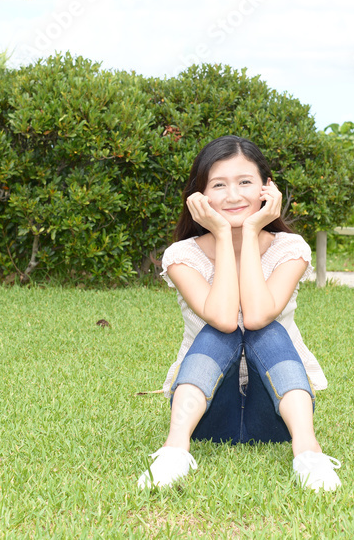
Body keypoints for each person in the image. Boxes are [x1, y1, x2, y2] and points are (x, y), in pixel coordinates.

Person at [138, 135, 341, 491]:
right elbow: (222, 316)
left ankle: (308, 451)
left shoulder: (290, 249)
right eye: (219, 184)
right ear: (199, 196)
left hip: (278, 414)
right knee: (225, 328)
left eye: (244, 182)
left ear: (267, 188)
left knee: (265, 328)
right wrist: (219, 233)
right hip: (207, 410)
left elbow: (260, 313)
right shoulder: (182, 256)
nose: (233, 196)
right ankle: (173, 450)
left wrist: (250, 230)